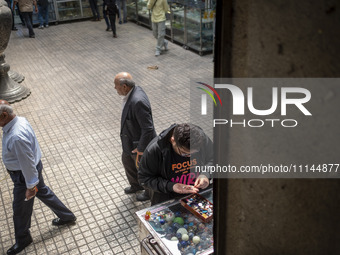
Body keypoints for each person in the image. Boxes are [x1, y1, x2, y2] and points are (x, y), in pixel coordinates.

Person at [0, 100, 76, 255]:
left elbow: (27, 163)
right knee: (44, 192)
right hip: (33, 169)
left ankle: (23, 239)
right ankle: (67, 216)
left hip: (24, 176)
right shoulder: (20, 120)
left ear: (4, 115)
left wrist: (30, 186)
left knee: (20, 209)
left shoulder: (16, 137)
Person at [138, 123, 213, 205]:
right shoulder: (155, 150)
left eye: (195, 152)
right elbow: (144, 179)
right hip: (169, 197)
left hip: (199, 192)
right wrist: (171, 186)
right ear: (172, 140)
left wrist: (206, 173)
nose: (189, 156)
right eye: (184, 153)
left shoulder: (202, 139)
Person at [114, 72, 156, 201]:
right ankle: (136, 185)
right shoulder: (133, 92)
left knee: (143, 169)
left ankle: (149, 193)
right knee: (127, 162)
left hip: (139, 145)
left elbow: (148, 128)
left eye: (116, 85)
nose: (115, 88)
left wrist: (141, 148)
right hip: (129, 141)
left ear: (125, 86)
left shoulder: (137, 101)